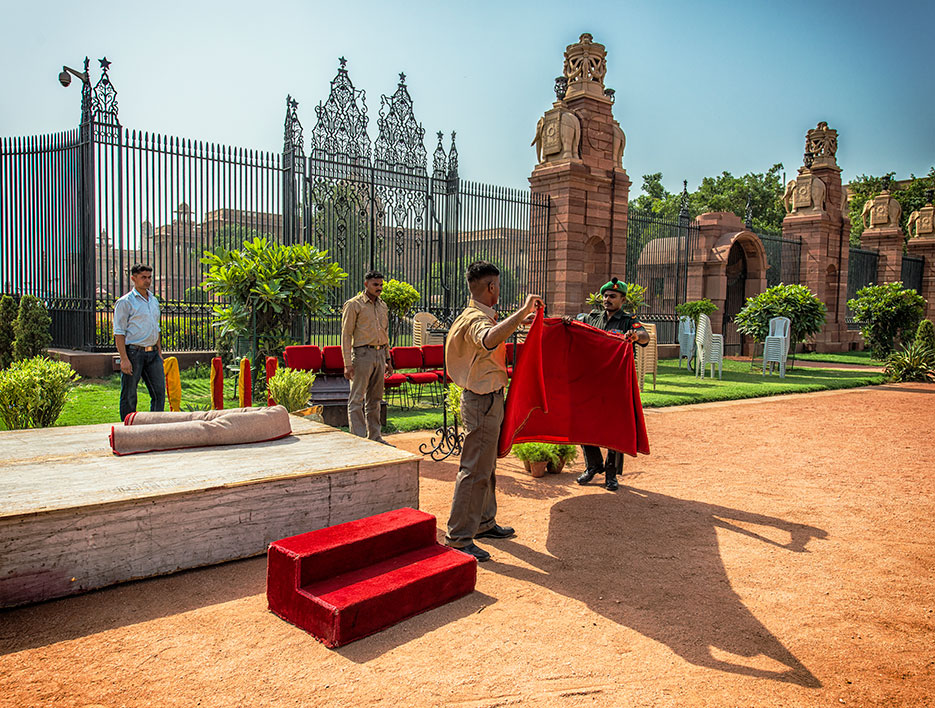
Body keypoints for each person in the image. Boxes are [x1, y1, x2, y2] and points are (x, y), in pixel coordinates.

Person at [445, 261, 543, 562]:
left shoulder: (476, 314)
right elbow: (488, 339)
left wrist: (520, 322)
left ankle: (484, 523)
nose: (499, 290)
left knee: (486, 467)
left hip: (486, 399)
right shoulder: (477, 319)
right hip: (482, 401)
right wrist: (524, 311)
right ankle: (459, 537)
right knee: (475, 469)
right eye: (498, 285)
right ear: (491, 287)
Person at [569, 277, 648, 491]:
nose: (607, 299)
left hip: (616, 383)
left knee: (615, 426)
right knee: (585, 421)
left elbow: (643, 335)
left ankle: (611, 473)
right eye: (605, 296)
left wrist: (634, 335)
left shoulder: (628, 321)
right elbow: (574, 330)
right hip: (592, 380)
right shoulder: (591, 317)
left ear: (622, 299)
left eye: (612, 296)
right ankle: (593, 465)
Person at [341, 270, 394, 443]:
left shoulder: (382, 305)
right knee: (357, 398)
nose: (379, 288)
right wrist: (347, 363)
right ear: (366, 284)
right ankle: (358, 440)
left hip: (379, 354)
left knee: (376, 399)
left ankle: (375, 437)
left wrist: (388, 359)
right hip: (362, 354)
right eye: (375, 284)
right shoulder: (354, 305)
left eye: (381, 285)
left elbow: (384, 333)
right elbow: (346, 335)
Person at [114, 264, 165, 423]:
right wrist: (124, 359)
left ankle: (154, 427)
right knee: (129, 394)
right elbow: (119, 332)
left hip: (152, 354)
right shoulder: (125, 302)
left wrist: (159, 351)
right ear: (133, 278)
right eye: (143, 277)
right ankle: (128, 428)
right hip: (134, 353)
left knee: (159, 392)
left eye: (149, 277)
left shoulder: (154, 301)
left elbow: (155, 326)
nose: (147, 281)